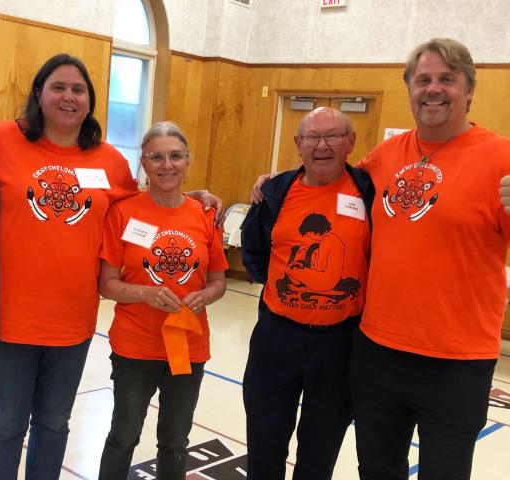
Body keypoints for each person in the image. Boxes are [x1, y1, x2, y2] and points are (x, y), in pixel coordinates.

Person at [0, 54, 223, 480]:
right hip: (10, 322)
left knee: (54, 425)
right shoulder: (0, 140)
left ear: (90, 101)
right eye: (58, 87)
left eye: (78, 89)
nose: (68, 97)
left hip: (72, 324)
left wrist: (195, 194)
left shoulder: (109, 161)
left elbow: (151, 199)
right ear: (39, 93)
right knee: (4, 428)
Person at [253, 38, 510, 479]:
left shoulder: (501, 157)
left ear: (469, 88)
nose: (433, 89)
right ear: (409, 89)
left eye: (446, 79)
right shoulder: (384, 158)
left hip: (457, 361)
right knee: (376, 469)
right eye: (423, 79)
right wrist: (266, 184)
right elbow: (329, 178)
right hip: (376, 351)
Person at [240, 107, 374, 480]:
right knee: (264, 444)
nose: (322, 146)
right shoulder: (274, 191)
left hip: (340, 345)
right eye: (312, 137)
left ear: (350, 142)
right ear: (298, 144)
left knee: (319, 451)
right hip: (276, 340)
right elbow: (253, 247)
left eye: (333, 136)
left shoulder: (369, 191)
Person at [96, 121, 228, 479]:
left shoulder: (205, 214)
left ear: (188, 161)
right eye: (156, 157)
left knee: (175, 440)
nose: (166, 165)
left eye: (175, 156)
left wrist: (205, 295)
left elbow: (218, 281)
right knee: (123, 435)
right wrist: (144, 293)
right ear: (144, 163)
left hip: (187, 345)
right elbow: (107, 284)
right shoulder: (123, 212)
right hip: (135, 346)